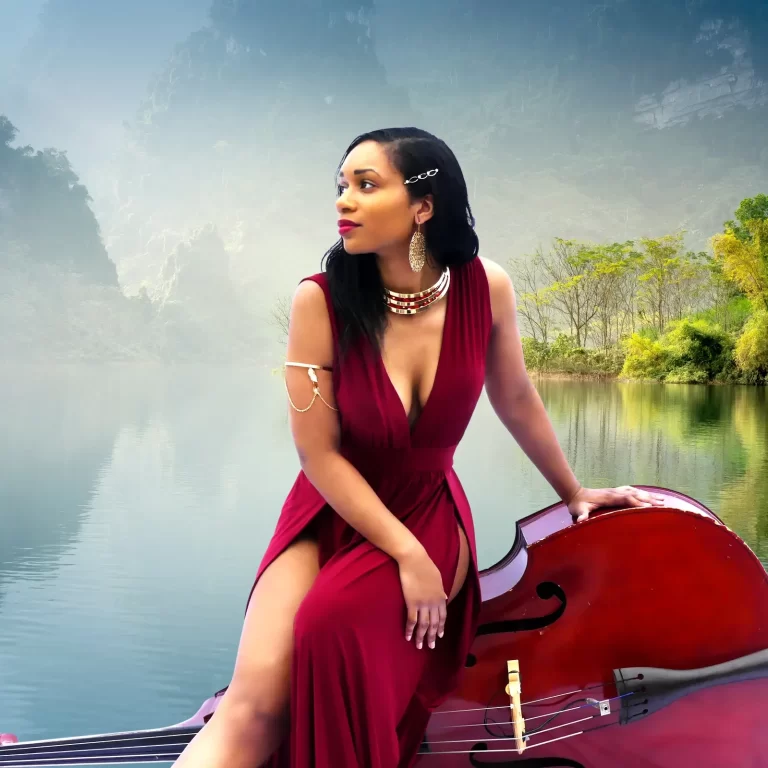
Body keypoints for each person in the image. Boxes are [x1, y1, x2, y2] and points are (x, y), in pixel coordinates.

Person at [172, 127, 665, 768]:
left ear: (423, 207)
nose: (344, 201)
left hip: (428, 511)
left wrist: (573, 492)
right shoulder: (317, 302)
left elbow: (514, 397)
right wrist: (403, 555)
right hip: (328, 508)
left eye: (366, 185)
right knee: (252, 706)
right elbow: (318, 456)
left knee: (330, 627)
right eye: (341, 186)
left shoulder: (485, 288)